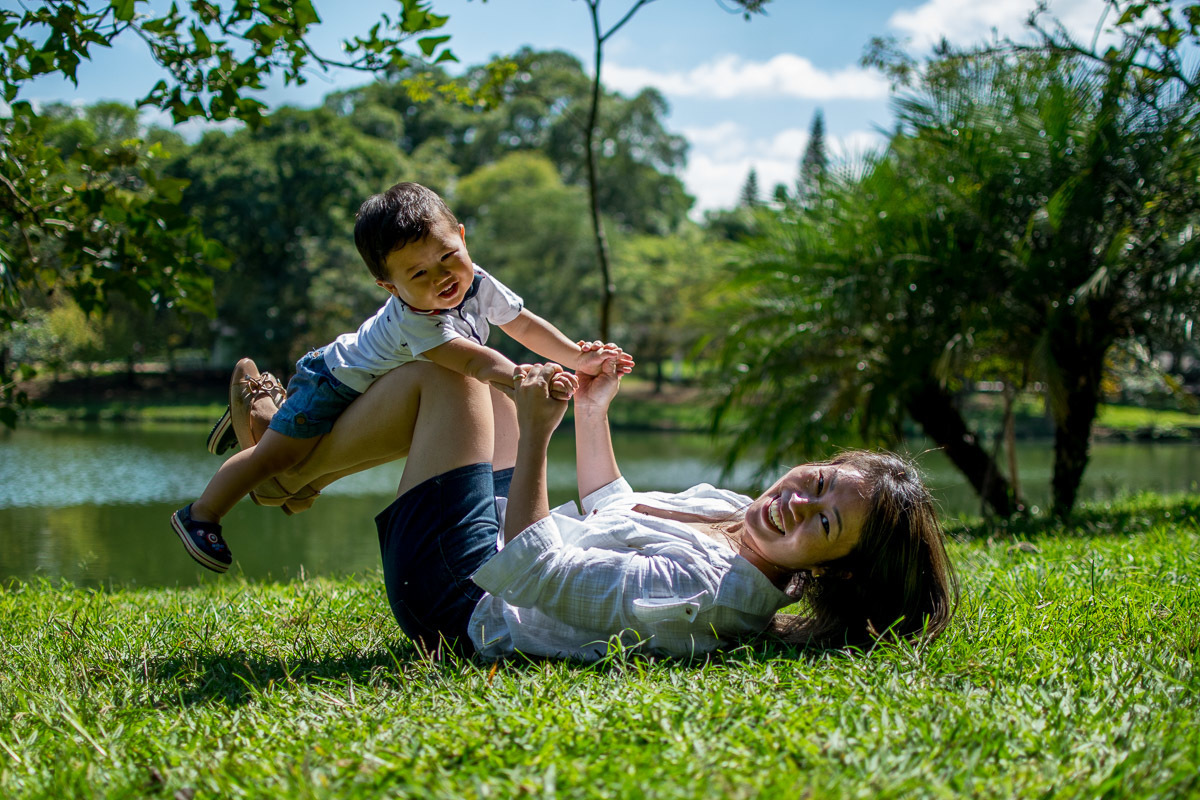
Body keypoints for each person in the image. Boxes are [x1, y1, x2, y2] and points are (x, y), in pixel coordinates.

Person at [228, 349, 956, 658]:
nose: (798, 502)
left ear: (838, 567)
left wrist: (540, 435)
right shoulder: (741, 521)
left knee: (450, 381)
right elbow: (617, 507)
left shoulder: (708, 594)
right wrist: (591, 410)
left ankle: (282, 461)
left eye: (824, 522)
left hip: (464, 606)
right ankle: (288, 471)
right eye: (820, 481)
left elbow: (534, 573)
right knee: (488, 381)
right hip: (500, 562)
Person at [171, 182, 631, 574]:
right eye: (419, 273)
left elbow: (522, 323)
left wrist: (578, 357)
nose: (443, 278)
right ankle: (202, 514)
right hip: (330, 381)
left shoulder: (476, 283)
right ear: (389, 287)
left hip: (380, 387)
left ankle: (260, 419)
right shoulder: (417, 320)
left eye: (449, 257)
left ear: (463, 238)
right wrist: (524, 378)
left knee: (302, 459)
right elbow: (474, 363)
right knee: (273, 459)